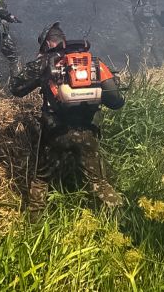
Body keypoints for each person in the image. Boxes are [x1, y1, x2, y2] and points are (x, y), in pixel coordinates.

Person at [9, 22, 125, 212]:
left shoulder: (45, 63)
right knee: (98, 182)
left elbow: (16, 88)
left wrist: (38, 65)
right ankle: (119, 224)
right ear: (63, 40)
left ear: (46, 45)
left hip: (54, 134)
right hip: (87, 132)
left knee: (41, 181)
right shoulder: (94, 62)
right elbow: (116, 102)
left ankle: (33, 228)